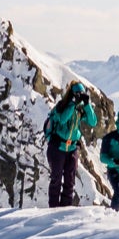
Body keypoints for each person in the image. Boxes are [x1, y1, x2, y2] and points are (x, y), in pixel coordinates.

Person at [43, 81, 99, 209]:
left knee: (70, 180)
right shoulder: (61, 106)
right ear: (71, 94)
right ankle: (53, 208)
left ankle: (65, 208)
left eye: (81, 93)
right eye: (77, 93)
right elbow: (63, 119)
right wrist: (72, 103)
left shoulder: (80, 109)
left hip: (72, 148)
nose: (79, 95)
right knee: (56, 178)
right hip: (57, 147)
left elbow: (93, 122)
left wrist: (87, 105)